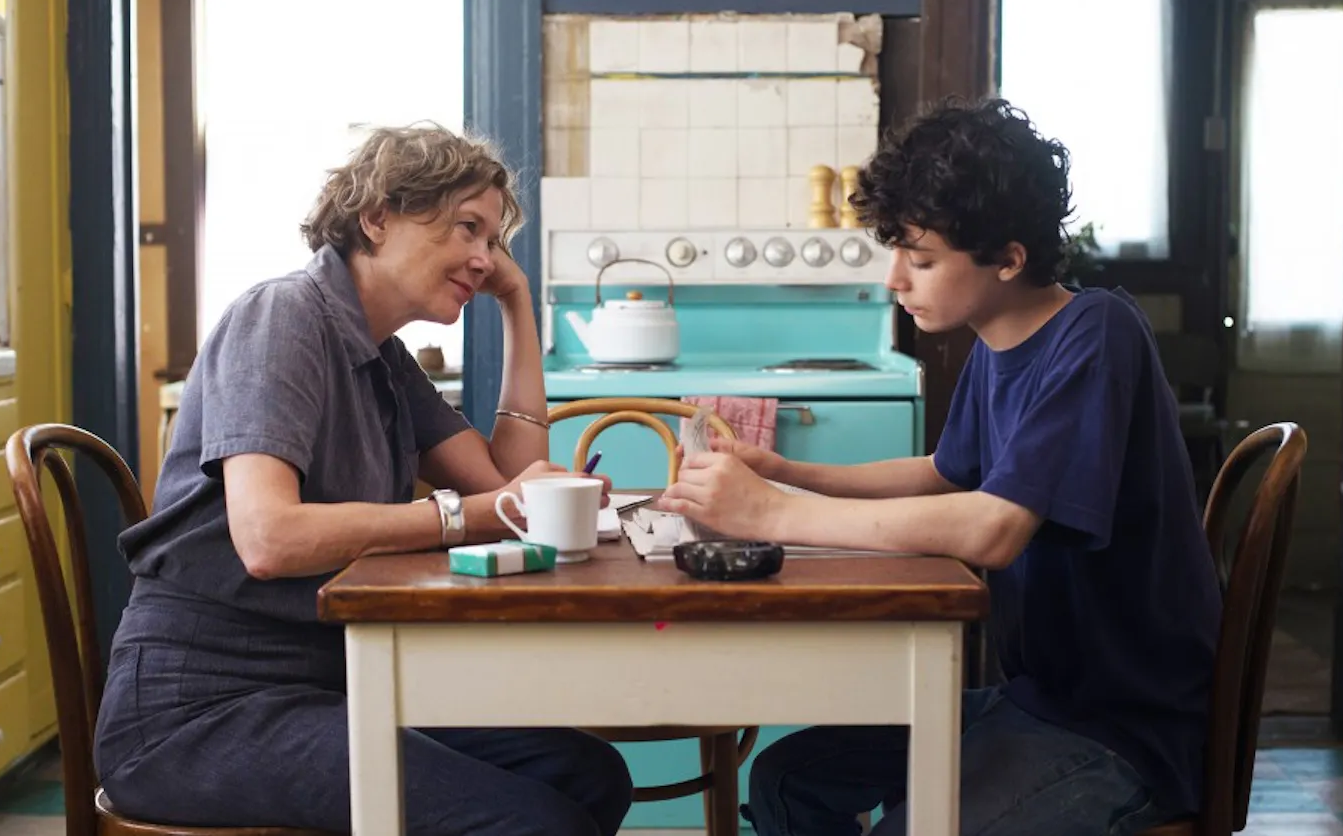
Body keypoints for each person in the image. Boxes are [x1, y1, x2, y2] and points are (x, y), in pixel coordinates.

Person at [659, 98, 1222, 836]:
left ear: (1009, 258)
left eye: (921, 259)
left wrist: (772, 513)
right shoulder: (998, 345)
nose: (896, 278)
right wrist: (788, 472)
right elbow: (947, 473)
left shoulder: (1095, 333)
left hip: (1120, 728)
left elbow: (993, 529)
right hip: (1035, 697)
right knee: (785, 778)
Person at [94, 124, 633, 836]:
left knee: (588, 774)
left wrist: (517, 306)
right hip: (197, 709)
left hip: (327, 684)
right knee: (534, 822)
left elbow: (508, 478)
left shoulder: (381, 356)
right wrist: (464, 516)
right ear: (377, 216)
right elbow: (267, 539)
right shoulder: (281, 317)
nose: (483, 258)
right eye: (468, 228)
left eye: (494, 242)